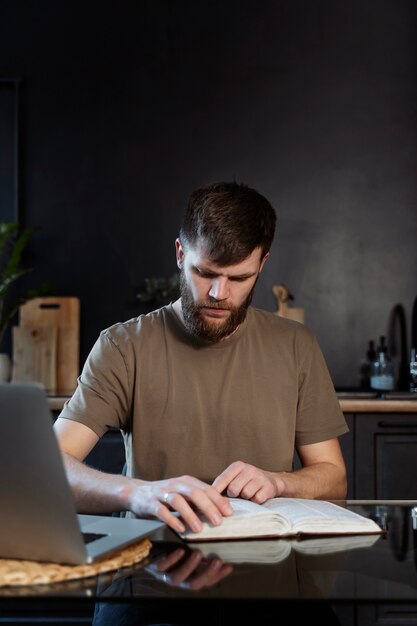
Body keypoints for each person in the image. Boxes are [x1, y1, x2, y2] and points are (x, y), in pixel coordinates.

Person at [54, 181, 348, 536]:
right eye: (205, 272)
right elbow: (49, 466)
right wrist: (136, 493)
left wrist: (280, 482)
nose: (218, 293)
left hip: (267, 567)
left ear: (262, 263)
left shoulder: (296, 345)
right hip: (151, 569)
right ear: (180, 253)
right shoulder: (122, 346)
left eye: (239, 278)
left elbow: (334, 479)